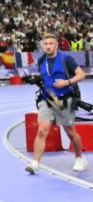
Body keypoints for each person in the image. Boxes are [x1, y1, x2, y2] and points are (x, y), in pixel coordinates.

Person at [26, 33, 88, 174]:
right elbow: (46, 77)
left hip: (64, 100)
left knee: (71, 133)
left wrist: (67, 82)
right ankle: (35, 163)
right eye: (45, 44)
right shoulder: (42, 60)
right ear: (42, 46)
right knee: (42, 130)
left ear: (56, 45)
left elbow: (81, 75)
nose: (48, 46)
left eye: (50, 44)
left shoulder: (66, 59)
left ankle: (80, 158)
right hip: (47, 99)